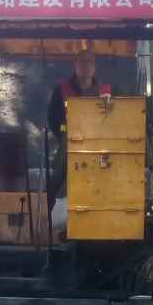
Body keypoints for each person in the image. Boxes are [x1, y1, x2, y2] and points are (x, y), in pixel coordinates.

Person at [46, 49, 101, 210]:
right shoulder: (62, 90)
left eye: (90, 62)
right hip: (69, 145)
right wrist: (65, 133)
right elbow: (53, 119)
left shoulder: (102, 92)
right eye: (83, 62)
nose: (87, 66)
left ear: (94, 67)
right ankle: (50, 211)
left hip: (96, 147)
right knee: (58, 178)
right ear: (75, 65)